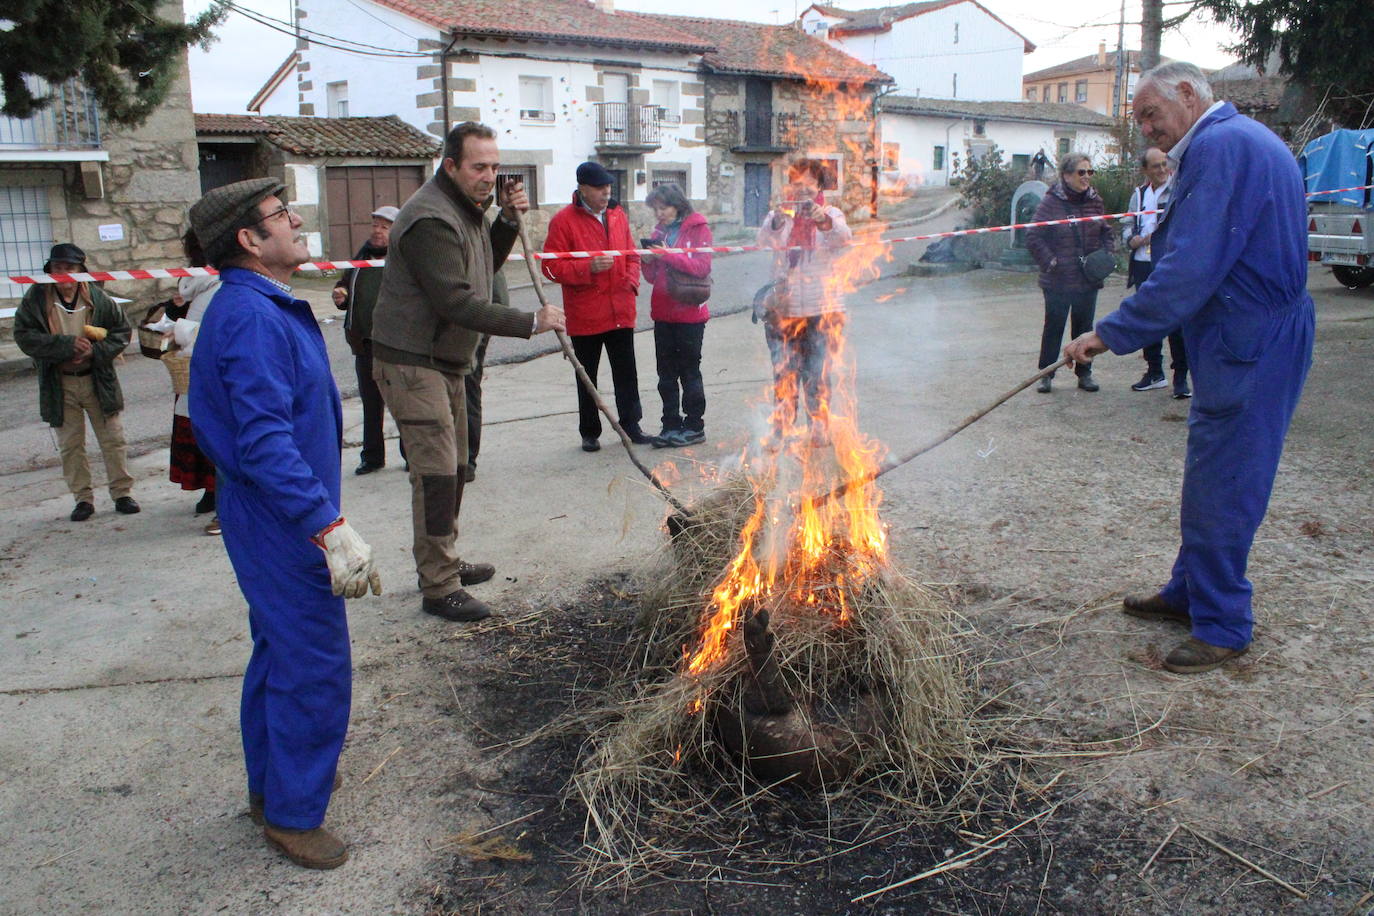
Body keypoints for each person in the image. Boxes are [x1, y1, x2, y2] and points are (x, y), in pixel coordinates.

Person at [1064, 62, 1315, 674]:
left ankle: (1224, 623)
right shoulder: (1231, 141)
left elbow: (1190, 268)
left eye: (1150, 113)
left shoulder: (1223, 147)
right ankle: (1190, 591)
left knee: (1225, 484)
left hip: (1251, 338)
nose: (1147, 129)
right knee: (1211, 474)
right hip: (1244, 332)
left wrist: (1107, 334)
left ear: (1186, 93)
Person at [186, 177, 383, 869]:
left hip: (273, 507)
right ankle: (295, 815)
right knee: (310, 663)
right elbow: (264, 440)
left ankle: (272, 790)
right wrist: (325, 525)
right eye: (281, 215)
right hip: (279, 514)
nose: (297, 221)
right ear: (249, 239)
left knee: (278, 652)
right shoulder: (250, 316)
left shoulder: (258, 304)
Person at [371, 122, 564, 623]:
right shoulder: (431, 219)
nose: (489, 176)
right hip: (414, 361)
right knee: (436, 475)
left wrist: (504, 220)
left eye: (496, 167)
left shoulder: (466, 208)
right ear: (450, 165)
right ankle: (438, 586)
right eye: (479, 166)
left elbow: (482, 266)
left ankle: (445, 562)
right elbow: (456, 300)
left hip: (447, 360)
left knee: (456, 469)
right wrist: (528, 321)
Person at [14, 243, 139, 521]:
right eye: (58, 268)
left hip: (97, 379)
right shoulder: (37, 297)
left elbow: (121, 331)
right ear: (50, 270)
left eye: (70, 268)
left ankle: (122, 493)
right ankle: (82, 499)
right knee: (71, 445)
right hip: (60, 382)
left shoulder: (96, 296)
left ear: (81, 271)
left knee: (113, 439)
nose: (64, 274)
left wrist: (95, 351)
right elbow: (24, 335)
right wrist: (65, 345)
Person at [541, 160, 650, 452]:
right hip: (585, 313)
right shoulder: (563, 221)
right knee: (586, 375)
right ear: (583, 189)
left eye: (608, 187)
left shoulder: (618, 215)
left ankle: (631, 424)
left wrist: (631, 283)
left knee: (627, 372)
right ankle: (589, 432)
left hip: (620, 309)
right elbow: (550, 268)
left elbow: (632, 254)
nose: (605, 193)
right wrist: (586, 267)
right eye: (599, 188)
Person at [755, 158, 852, 436]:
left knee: (817, 372)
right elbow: (763, 242)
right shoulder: (782, 215)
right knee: (784, 372)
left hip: (822, 308)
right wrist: (775, 220)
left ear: (819, 185)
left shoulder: (831, 213)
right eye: (797, 184)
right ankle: (782, 427)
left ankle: (818, 427)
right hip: (783, 309)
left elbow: (843, 239)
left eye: (809, 184)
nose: (803, 190)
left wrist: (822, 219)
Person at [1025, 152, 1114, 393]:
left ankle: (1084, 373)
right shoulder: (1052, 201)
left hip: (1088, 278)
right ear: (1066, 175)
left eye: (1089, 172)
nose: (1086, 177)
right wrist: (1051, 262)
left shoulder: (1095, 200)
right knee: (1054, 328)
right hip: (1058, 280)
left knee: (1084, 329)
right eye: (1081, 172)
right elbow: (1033, 235)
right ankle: (1046, 374)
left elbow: (1106, 230)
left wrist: (1107, 254)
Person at [641, 182, 712, 448]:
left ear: (677, 205)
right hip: (663, 312)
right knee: (666, 375)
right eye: (656, 209)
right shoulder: (658, 232)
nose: (659, 214)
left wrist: (668, 255)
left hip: (690, 314)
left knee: (689, 372)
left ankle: (694, 425)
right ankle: (670, 424)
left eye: (664, 208)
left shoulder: (699, 228)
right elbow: (653, 278)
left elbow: (701, 267)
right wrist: (647, 262)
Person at [160, 248, 222, 535]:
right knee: (199, 434)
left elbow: (206, 328)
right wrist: (173, 316)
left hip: (213, 374)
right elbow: (187, 316)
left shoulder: (221, 284)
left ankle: (222, 500)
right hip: (191, 373)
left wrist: (180, 331)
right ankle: (211, 492)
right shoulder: (193, 283)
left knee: (218, 437)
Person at [333, 205, 398, 475]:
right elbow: (345, 285)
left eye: (384, 226)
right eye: (374, 225)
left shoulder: (402, 259)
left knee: (402, 403)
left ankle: (411, 454)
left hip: (396, 345)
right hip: (365, 343)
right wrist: (341, 295)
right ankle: (372, 457)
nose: (377, 231)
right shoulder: (361, 258)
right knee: (371, 406)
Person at [1123, 148, 1190, 398]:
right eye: (1155, 166)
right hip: (1143, 263)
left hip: (1169, 263)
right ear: (1146, 170)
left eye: (1164, 165)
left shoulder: (1178, 190)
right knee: (1148, 318)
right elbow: (1128, 223)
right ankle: (1154, 372)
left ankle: (1181, 377)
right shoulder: (1139, 195)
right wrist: (1132, 239)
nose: (1162, 170)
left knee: (1176, 322)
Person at [463, 269, 507, 483]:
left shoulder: (482, 245)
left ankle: (467, 461)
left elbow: (499, 299)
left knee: (468, 395)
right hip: (448, 335)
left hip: (472, 334)